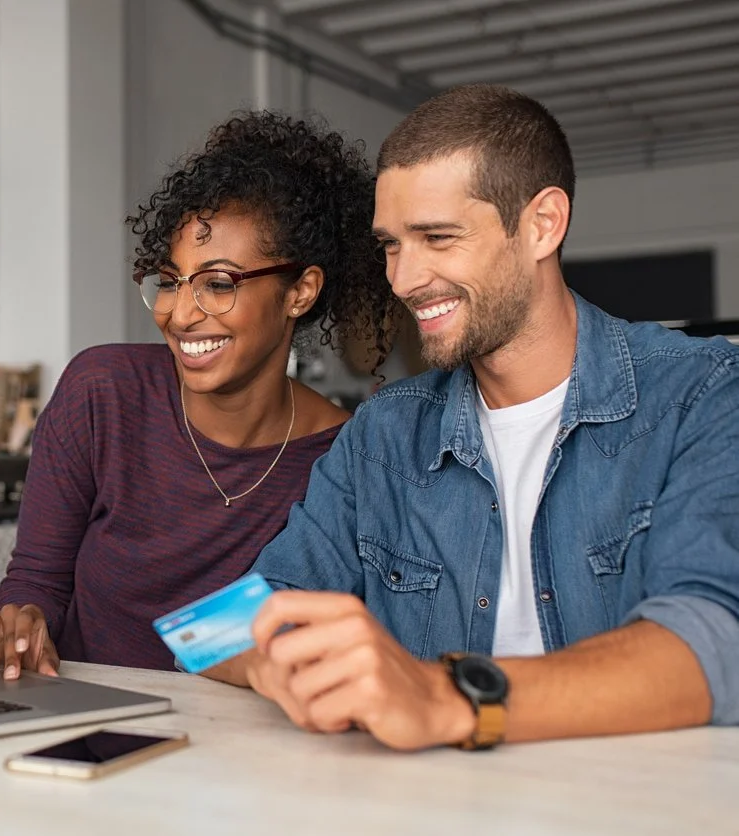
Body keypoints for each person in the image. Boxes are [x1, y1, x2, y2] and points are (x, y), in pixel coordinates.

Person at [207, 83, 739, 750]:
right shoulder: (381, 434)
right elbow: (213, 629)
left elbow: (714, 642)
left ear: (542, 224)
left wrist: (443, 695)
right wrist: (281, 661)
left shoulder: (705, 391)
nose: (401, 279)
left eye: (436, 237)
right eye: (391, 245)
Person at [0, 111, 397, 678]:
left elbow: (281, 633)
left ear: (300, 292)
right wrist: (17, 627)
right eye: (170, 281)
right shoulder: (103, 393)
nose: (180, 313)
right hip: (73, 739)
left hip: (227, 756)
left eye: (218, 284)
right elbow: (35, 581)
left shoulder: (344, 459)